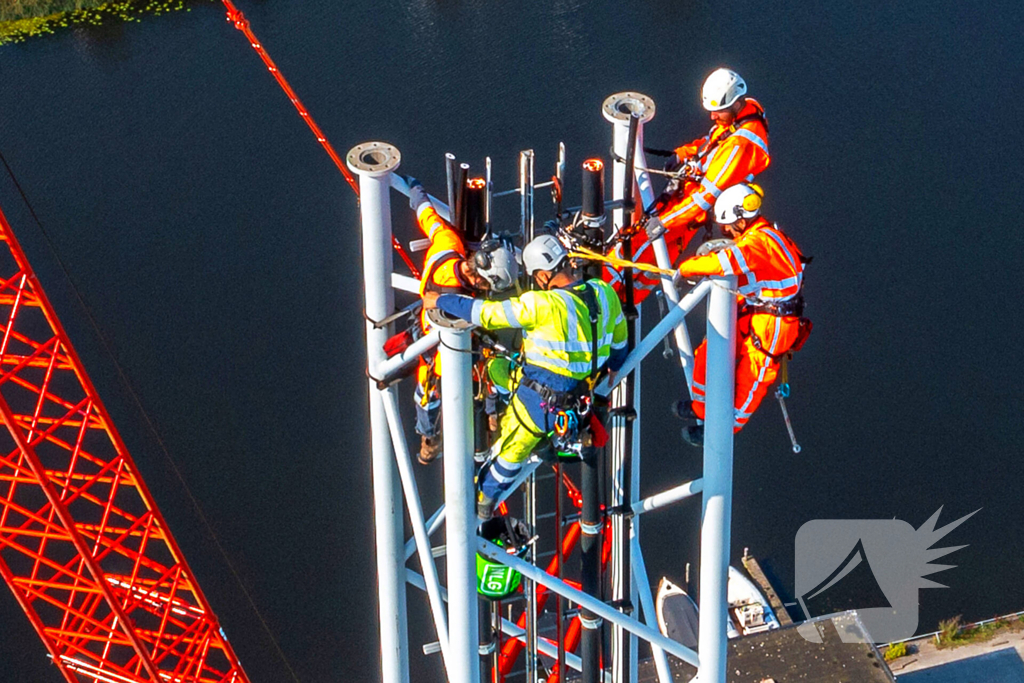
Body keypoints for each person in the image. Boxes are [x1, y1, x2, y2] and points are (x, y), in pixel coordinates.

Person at [423, 235, 627, 519]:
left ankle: (485, 499)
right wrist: (615, 365)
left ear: (542, 275)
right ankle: (524, 424)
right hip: (578, 391)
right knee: (497, 369)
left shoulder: (542, 304)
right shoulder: (603, 292)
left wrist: (440, 299)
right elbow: (620, 341)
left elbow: (485, 313)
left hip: (540, 401)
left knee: (511, 450)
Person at [612, 68, 771, 302]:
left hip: (687, 211)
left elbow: (703, 198)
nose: (712, 117)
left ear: (736, 104)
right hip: (688, 207)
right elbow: (713, 142)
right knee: (654, 257)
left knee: (638, 246)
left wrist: (664, 222)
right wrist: (683, 154)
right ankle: (621, 301)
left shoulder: (740, 146)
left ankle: (606, 292)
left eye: (718, 111)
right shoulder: (744, 114)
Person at [675, 183, 808, 445]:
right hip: (757, 310)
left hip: (775, 322)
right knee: (709, 351)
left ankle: (724, 429)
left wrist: (687, 268)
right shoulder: (763, 236)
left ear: (741, 220)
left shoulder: (760, 243)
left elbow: (723, 263)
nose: (725, 232)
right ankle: (701, 407)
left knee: (752, 378)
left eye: (727, 227)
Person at [406, 178, 519, 464]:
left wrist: (417, 192)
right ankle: (440, 434)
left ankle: (432, 437)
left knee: (428, 392)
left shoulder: (448, 243)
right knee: (479, 378)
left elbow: (429, 218)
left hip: (432, 337)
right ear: (480, 279)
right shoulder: (461, 301)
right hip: (444, 350)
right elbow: (476, 313)